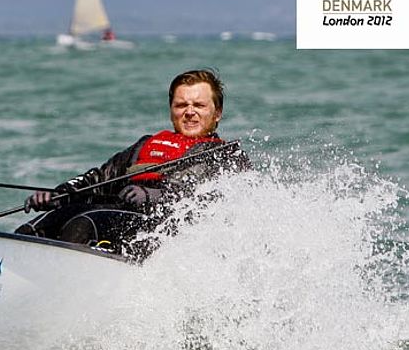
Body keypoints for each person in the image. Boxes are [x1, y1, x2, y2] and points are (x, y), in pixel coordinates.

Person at [15, 68, 249, 258]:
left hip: (161, 231)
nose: (189, 112)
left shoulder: (227, 154)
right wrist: (61, 193)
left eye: (198, 105)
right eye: (181, 105)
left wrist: (153, 196)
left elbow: (217, 201)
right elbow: (97, 180)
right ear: (171, 111)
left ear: (217, 113)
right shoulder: (146, 145)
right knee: (42, 224)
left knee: (82, 224)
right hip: (115, 214)